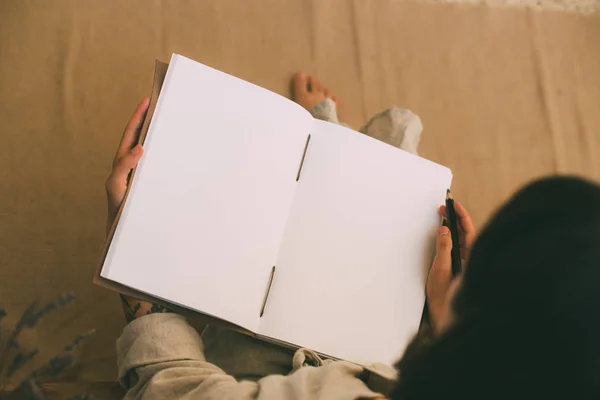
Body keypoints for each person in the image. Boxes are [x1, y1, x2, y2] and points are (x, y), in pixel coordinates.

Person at [106, 75, 600, 399]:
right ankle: (325, 140)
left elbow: (171, 386)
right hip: (404, 346)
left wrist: (138, 279)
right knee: (395, 173)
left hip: (280, 366)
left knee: (387, 161)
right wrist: (442, 312)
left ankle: (319, 139)